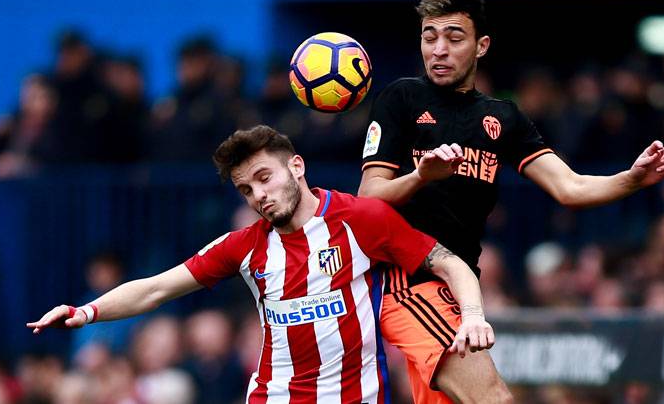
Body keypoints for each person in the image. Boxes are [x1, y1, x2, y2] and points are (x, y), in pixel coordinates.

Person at [358, 0, 664, 403]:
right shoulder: (401, 97)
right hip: (407, 281)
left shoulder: (502, 117)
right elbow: (368, 200)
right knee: (495, 399)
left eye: (454, 37)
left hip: (458, 286)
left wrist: (631, 179)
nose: (438, 49)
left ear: (481, 45)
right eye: (429, 36)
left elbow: (569, 186)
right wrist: (421, 176)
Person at [27, 125, 494, 403]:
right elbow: (154, 288)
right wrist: (84, 313)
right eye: (246, 190)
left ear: (297, 166)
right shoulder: (243, 247)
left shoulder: (362, 218)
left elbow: (449, 263)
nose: (259, 196)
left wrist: (472, 316)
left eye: (264, 178)